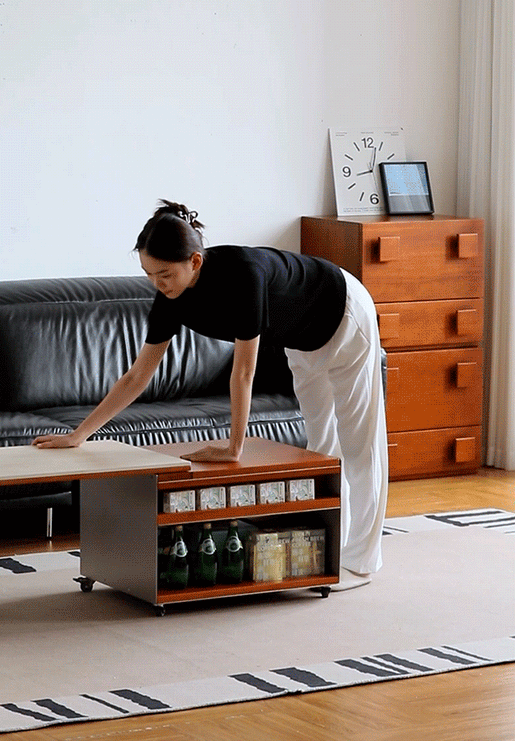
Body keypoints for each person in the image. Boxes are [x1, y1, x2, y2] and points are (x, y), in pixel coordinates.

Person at [34, 200, 388, 588]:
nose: (157, 284)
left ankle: (361, 563)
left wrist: (234, 448)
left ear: (195, 261)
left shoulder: (243, 275)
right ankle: (329, 554)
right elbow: (137, 376)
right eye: (149, 274)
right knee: (321, 446)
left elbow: (244, 372)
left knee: (360, 445)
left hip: (342, 313)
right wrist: (79, 435)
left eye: (165, 274)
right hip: (301, 339)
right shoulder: (170, 298)